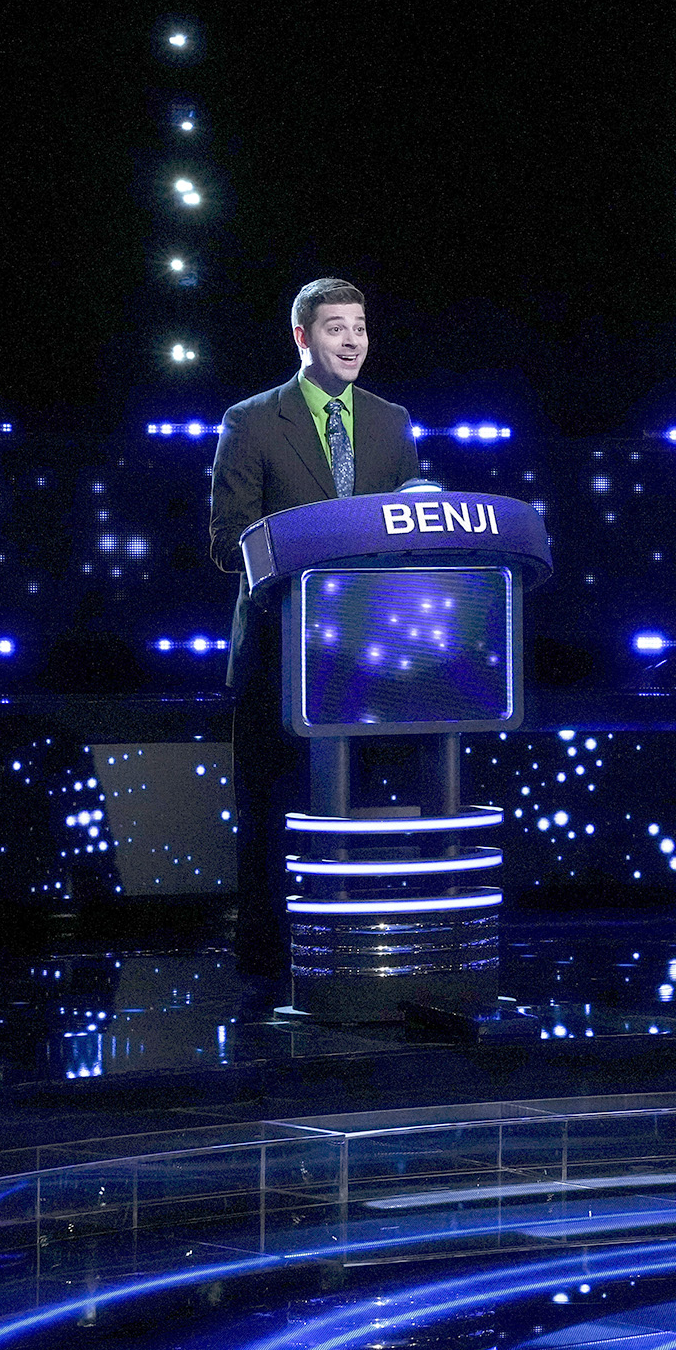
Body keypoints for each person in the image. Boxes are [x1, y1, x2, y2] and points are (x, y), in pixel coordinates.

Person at [205, 278, 424, 975]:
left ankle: (365, 946)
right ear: (302, 337)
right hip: (279, 650)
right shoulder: (251, 421)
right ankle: (270, 961)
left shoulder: (392, 422)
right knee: (273, 808)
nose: (353, 340)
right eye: (336, 327)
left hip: (370, 657)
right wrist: (315, 553)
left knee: (365, 803)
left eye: (360, 326)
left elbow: (410, 524)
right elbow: (227, 539)